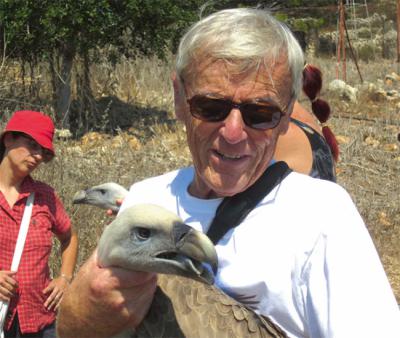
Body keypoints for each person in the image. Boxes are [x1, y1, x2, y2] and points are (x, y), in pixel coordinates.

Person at [57, 8, 400, 338]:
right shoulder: (145, 201)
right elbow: (70, 329)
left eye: (261, 112)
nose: (233, 132)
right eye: (211, 107)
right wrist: (88, 309)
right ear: (179, 97)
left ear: (285, 115)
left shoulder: (322, 215)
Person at [0, 111, 78, 337]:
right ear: (8, 139)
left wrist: (65, 278)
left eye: (42, 151)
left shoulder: (45, 197)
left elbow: (70, 237)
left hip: (39, 321)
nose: (37, 156)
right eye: (31, 145)